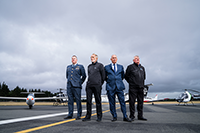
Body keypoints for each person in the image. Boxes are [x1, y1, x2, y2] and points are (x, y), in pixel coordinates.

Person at [105, 55, 131, 122]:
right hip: (110, 87)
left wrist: (117, 80)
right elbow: (104, 76)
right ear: (110, 59)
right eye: (113, 58)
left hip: (119, 87)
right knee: (112, 103)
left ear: (117, 59)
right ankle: (114, 116)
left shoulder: (120, 67)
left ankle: (125, 116)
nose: (114, 59)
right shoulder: (106, 67)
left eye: (115, 58)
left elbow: (122, 76)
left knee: (122, 102)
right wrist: (110, 80)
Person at [82, 53, 105, 122]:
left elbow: (103, 76)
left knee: (98, 101)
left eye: (93, 57)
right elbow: (89, 75)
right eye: (91, 57)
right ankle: (88, 116)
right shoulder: (89, 66)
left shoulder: (100, 65)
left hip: (97, 85)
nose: (91, 58)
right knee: (88, 101)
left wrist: (100, 84)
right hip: (89, 86)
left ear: (96, 58)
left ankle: (99, 116)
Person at [125, 55, 147, 121]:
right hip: (133, 88)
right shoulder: (130, 67)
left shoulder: (142, 68)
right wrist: (131, 83)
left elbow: (144, 77)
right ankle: (132, 116)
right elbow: (126, 76)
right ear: (133, 60)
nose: (137, 59)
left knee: (140, 102)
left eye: (138, 58)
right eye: (135, 59)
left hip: (141, 87)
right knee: (132, 102)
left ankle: (140, 116)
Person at [64, 55, 86, 120]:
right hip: (69, 86)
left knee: (78, 100)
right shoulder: (68, 67)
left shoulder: (80, 67)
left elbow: (84, 76)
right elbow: (67, 76)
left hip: (77, 86)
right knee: (70, 101)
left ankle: (79, 114)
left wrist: (80, 82)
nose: (73, 60)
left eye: (74, 59)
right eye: (72, 59)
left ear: (76, 60)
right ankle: (70, 114)